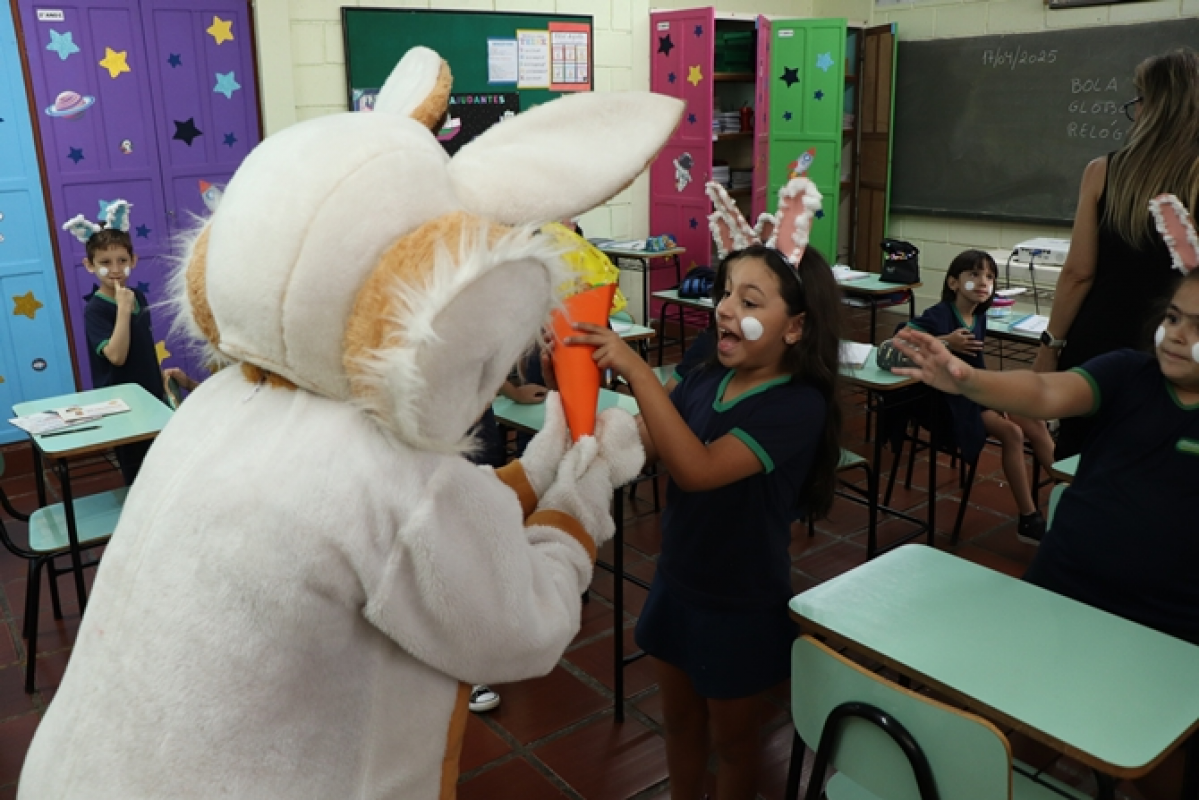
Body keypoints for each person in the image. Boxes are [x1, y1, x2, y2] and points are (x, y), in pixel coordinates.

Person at [563, 175, 843, 798]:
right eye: (726, 292)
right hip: (678, 581)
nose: (725, 308)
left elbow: (697, 468)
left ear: (794, 328)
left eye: (751, 301)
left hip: (739, 601)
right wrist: (581, 433)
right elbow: (647, 440)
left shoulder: (796, 407)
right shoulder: (706, 375)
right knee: (681, 727)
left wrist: (635, 369)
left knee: (736, 748)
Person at [894, 261, 1199, 799]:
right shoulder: (1128, 373)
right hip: (1065, 587)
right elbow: (1042, 390)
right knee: (1027, 726)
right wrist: (968, 379)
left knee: (1154, 758)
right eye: (1173, 317)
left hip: (1169, 624)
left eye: (1198, 327)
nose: (1177, 335)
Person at [1034, 49, 1199, 459]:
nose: (1135, 110)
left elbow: (1078, 274)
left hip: (1098, 349)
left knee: (1080, 465)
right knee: (1161, 473)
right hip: (1176, 350)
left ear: (1155, 106)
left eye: (1139, 99)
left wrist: (1049, 348)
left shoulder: (1103, 171)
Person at [905, 250, 1056, 543]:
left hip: (975, 393)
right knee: (1012, 433)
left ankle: (1073, 492)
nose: (983, 282)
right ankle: (1029, 518)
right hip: (950, 402)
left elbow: (978, 367)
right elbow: (900, 341)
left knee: (1034, 419)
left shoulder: (978, 316)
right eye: (974, 275)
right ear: (953, 283)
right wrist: (946, 342)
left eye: (989, 276)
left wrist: (996, 398)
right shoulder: (939, 314)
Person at [69, 205, 168, 485]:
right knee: (136, 472)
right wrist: (123, 311)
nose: (115, 269)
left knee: (160, 464)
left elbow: (142, 348)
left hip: (150, 396)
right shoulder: (97, 309)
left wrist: (158, 378)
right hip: (122, 405)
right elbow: (116, 356)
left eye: (122, 260)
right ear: (90, 265)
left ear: (133, 260)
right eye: (105, 262)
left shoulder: (137, 297)